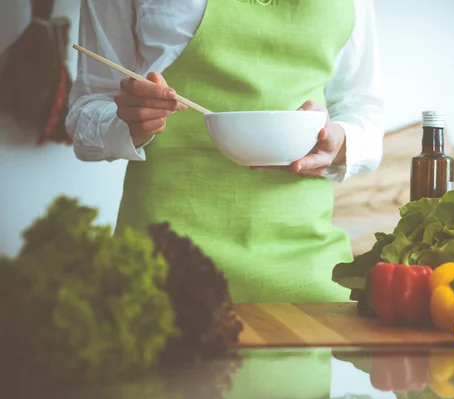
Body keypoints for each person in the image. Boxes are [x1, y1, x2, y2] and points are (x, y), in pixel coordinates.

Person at [66, 0, 384, 303]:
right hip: (163, 266)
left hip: (308, 273)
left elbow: (363, 109)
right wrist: (128, 122)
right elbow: (85, 111)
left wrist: (339, 141)